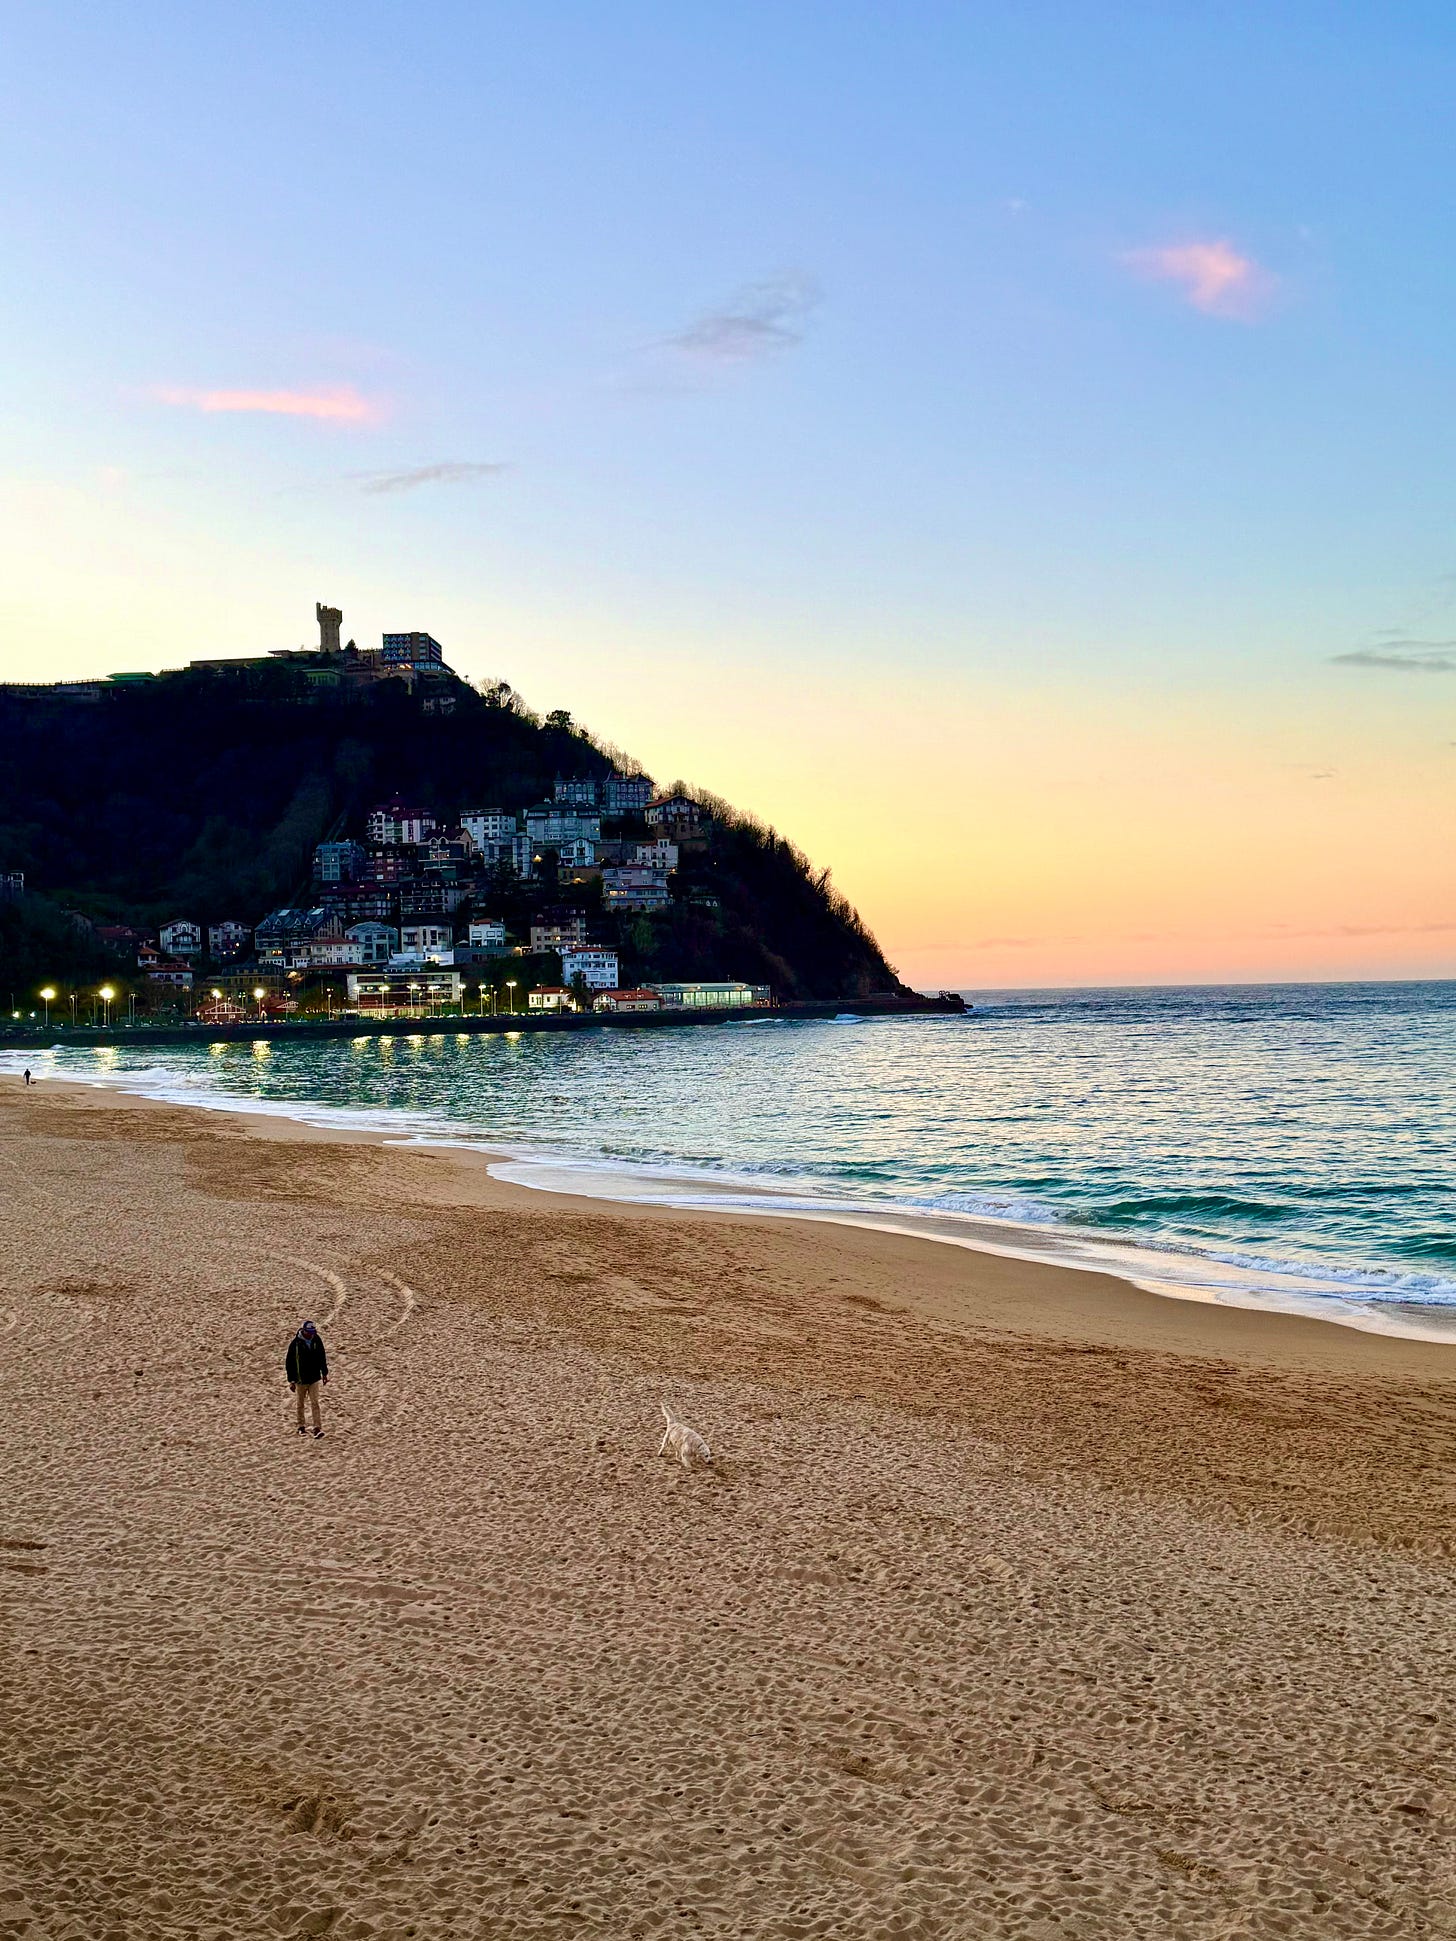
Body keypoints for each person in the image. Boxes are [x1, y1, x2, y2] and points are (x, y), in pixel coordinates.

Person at [285, 1319, 328, 1439]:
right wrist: (291, 1380)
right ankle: (301, 1426)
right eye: (309, 1332)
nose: (312, 1334)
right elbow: (290, 1363)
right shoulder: (295, 1344)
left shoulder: (316, 1339)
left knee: (315, 1403)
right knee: (300, 1404)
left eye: (313, 1331)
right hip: (300, 1380)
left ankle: (317, 1428)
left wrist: (324, 1373)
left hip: (314, 1378)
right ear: (304, 1331)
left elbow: (322, 1356)